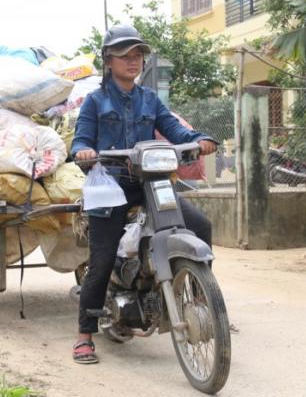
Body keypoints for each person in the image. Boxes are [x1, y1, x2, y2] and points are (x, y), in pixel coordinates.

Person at [70, 24, 218, 364]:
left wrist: (200, 138)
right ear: (108, 60)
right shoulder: (95, 101)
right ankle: (84, 335)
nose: (132, 60)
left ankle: (200, 301)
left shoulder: (149, 99)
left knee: (200, 227)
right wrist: (84, 152)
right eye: (124, 54)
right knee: (103, 257)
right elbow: (81, 139)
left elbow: (175, 129)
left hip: (150, 183)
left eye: (137, 54)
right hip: (110, 187)